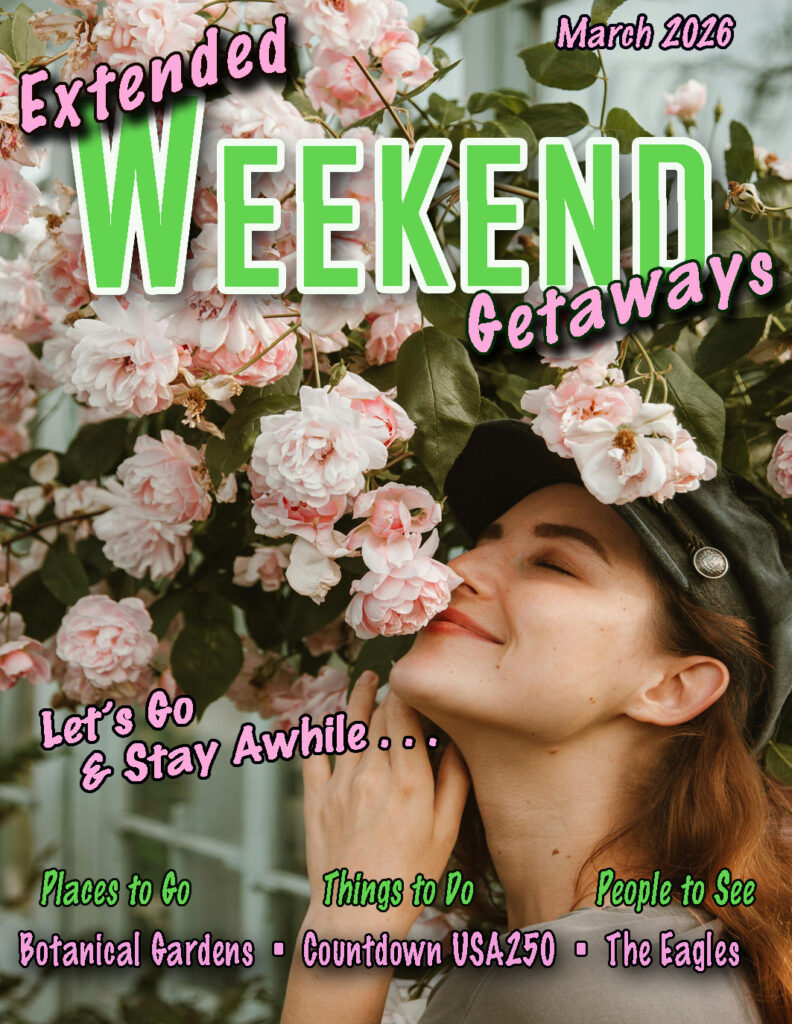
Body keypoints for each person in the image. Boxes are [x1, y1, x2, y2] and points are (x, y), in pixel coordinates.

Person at [281, 419, 792, 1024]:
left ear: (672, 687)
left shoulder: (594, 985)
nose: (454, 571)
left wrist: (348, 927)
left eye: (553, 564)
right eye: (481, 543)